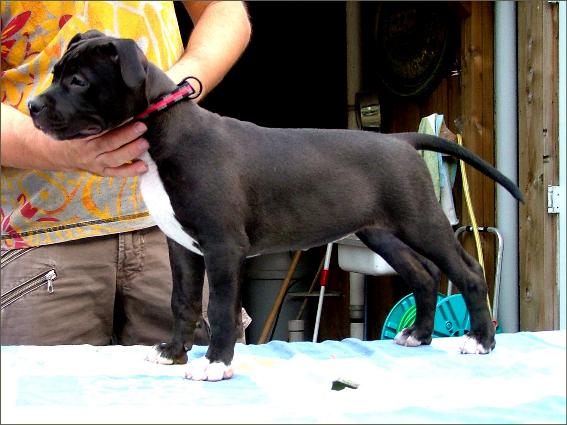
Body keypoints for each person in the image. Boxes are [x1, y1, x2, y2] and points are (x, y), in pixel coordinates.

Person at [1, 1, 252, 345]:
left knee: (207, 375)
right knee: (45, 383)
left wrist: (179, 84)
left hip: (177, 226)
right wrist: (54, 149)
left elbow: (222, 7)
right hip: (40, 237)